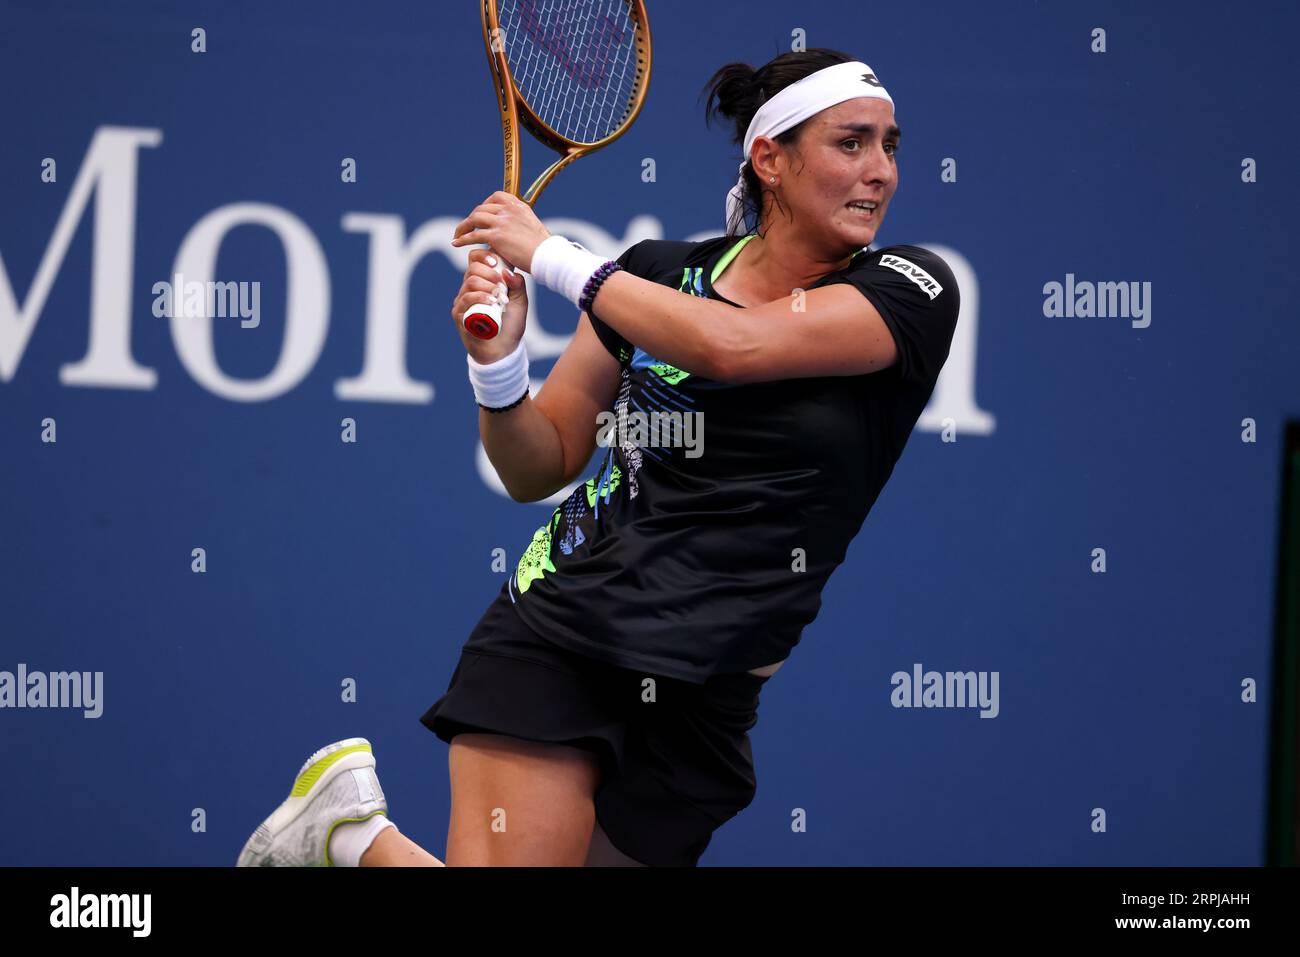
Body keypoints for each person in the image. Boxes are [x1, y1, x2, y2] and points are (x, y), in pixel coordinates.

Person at [237, 47, 960, 868]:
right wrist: (499, 369)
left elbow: (734, 345)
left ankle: (350, 840)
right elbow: (536, 466)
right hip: (569, 635)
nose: (881, 172)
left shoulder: (911, 289)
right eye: (852, 143)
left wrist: (553, 257)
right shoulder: (658, 277)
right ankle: (346, 836)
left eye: (890, 146)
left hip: (709, 700)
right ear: (771, 161)